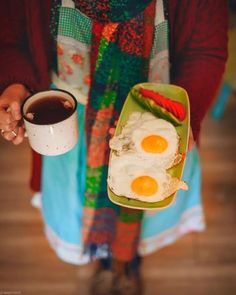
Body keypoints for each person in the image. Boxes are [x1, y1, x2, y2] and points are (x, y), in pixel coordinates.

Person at [0, 1, 228, 294]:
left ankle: (126, 263)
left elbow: (205, 51)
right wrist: (15, 83)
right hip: (72, 120)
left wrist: (179, 124)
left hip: (159, 116)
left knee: (145, 201)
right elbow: (8, 35)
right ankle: (106, 259)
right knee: (82, 205)